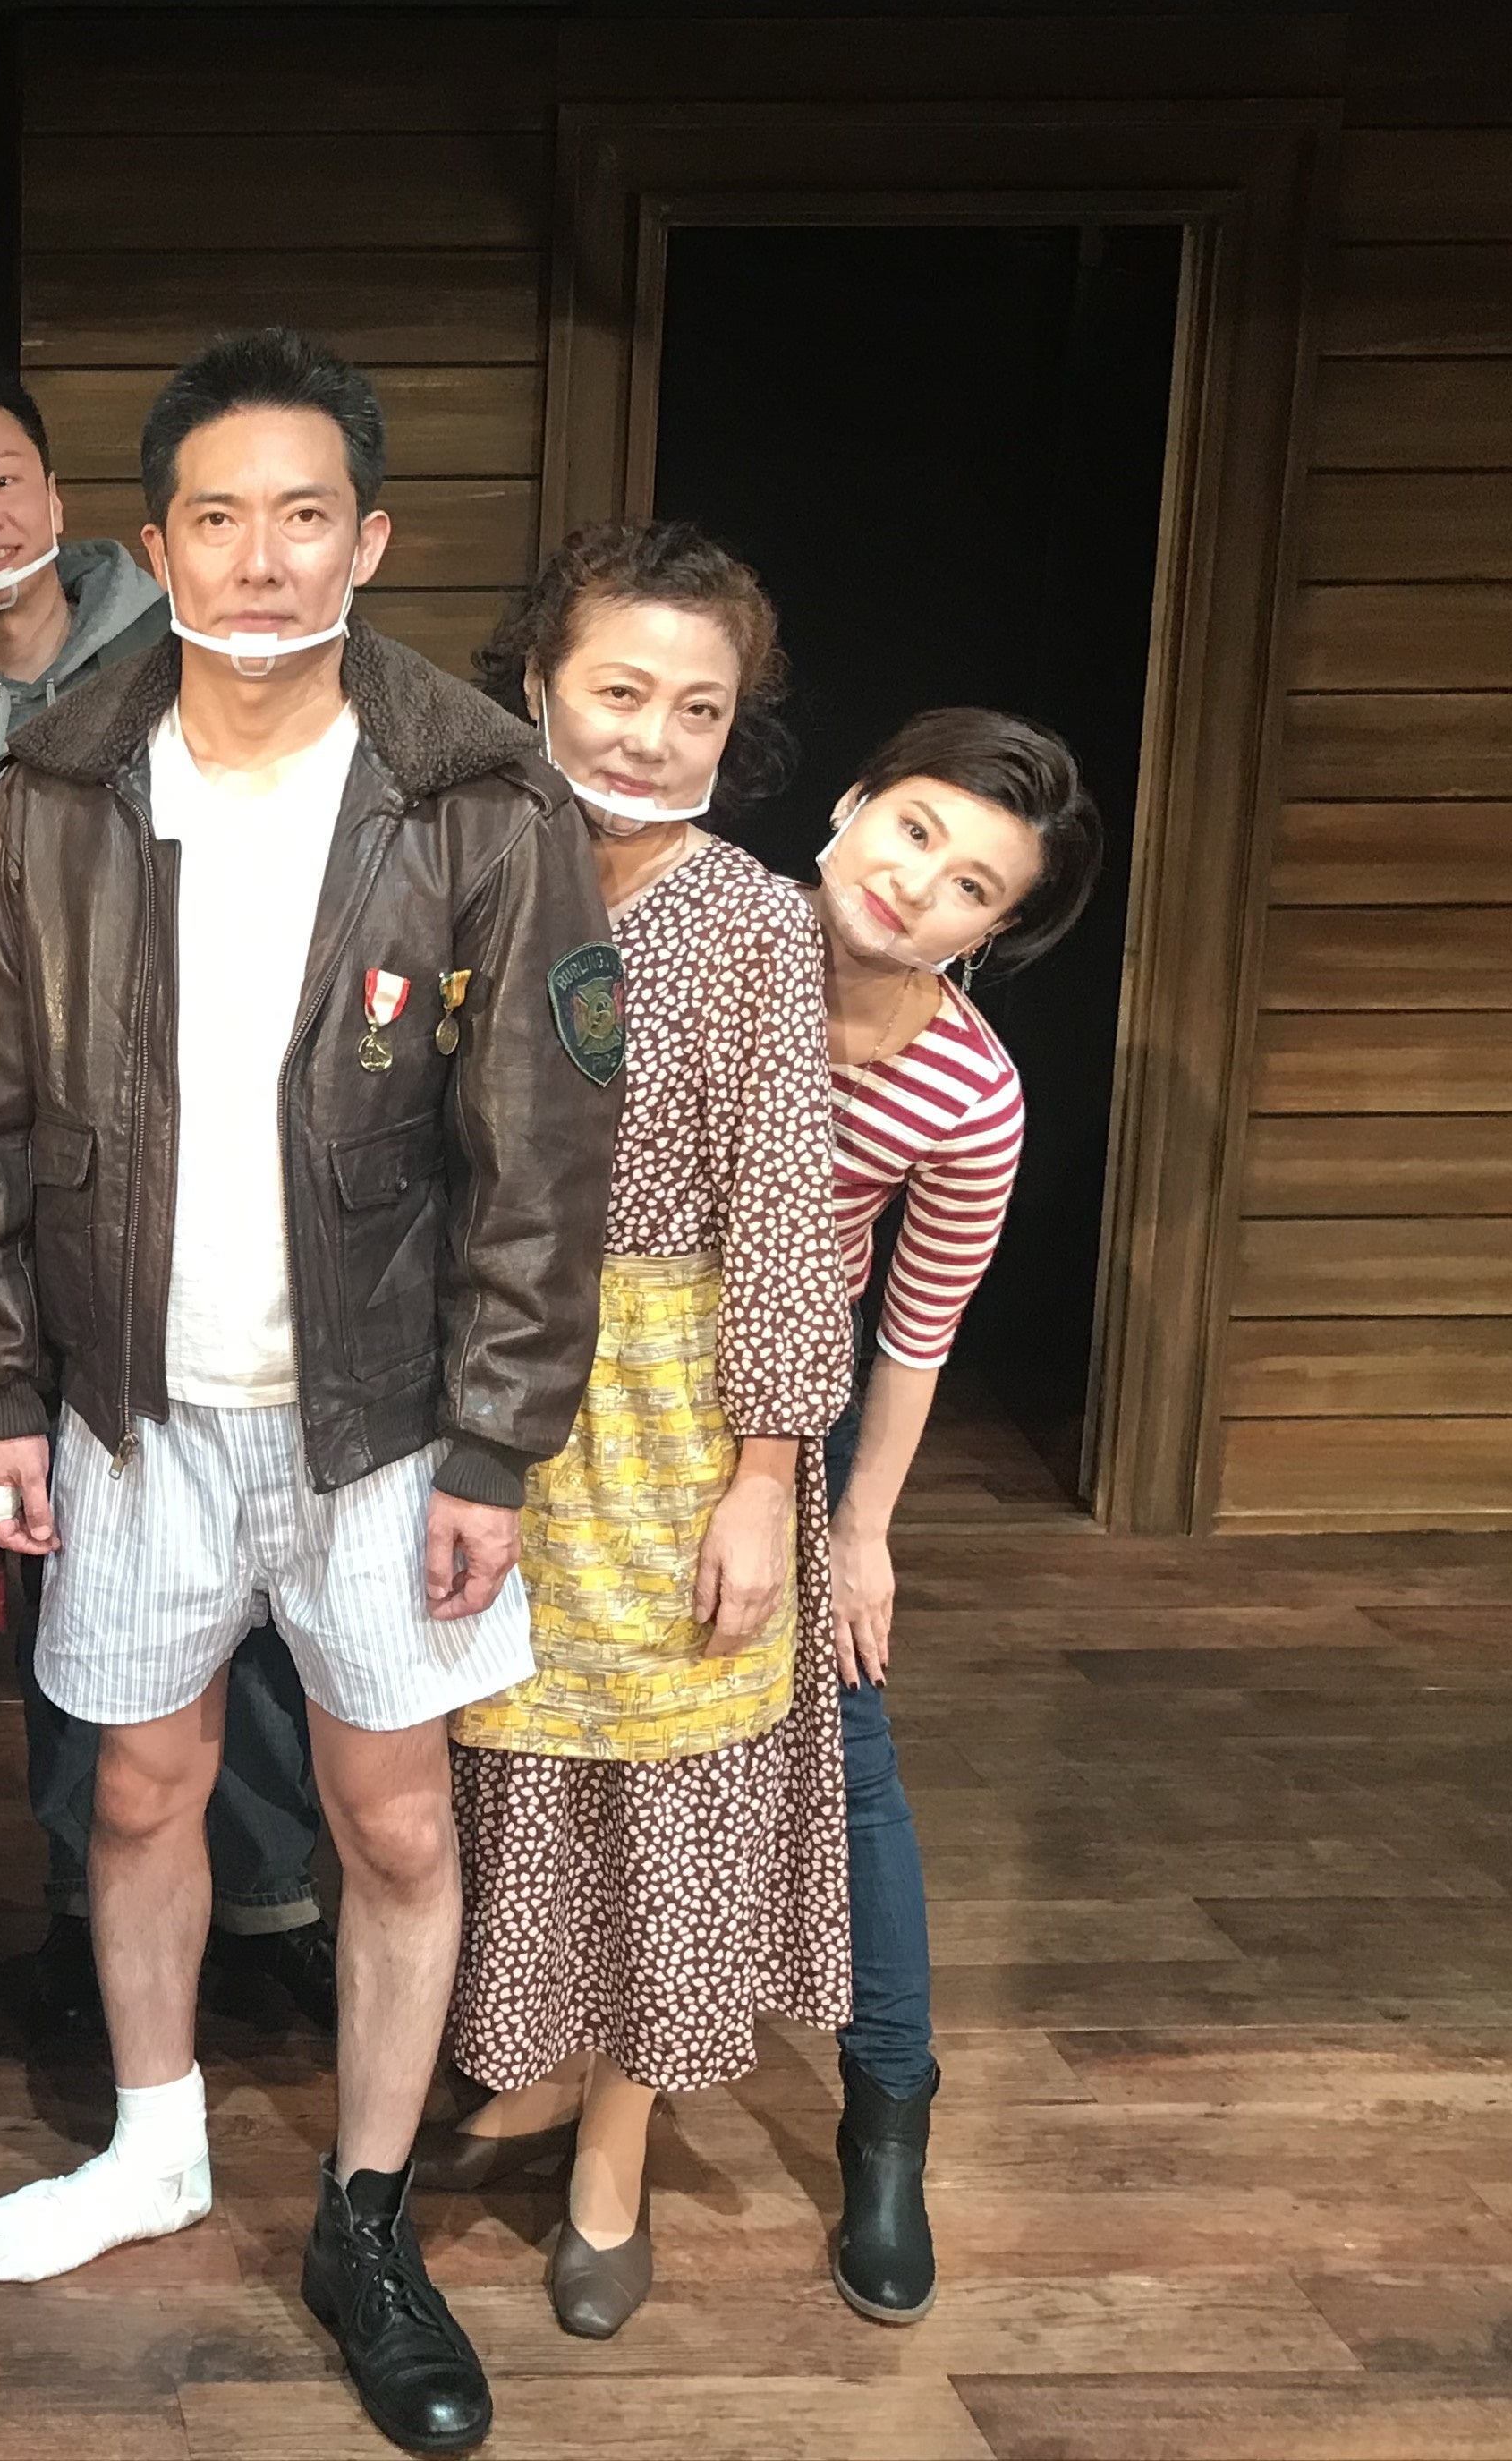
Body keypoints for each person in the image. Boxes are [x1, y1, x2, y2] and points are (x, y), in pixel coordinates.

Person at [0, 329, 620, 2459]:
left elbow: (544, 1149)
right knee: (141, 1793)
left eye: (302, 515)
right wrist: (1, 1391)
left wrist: (498, 1438)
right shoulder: (53, 789)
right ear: (155, 547)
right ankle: (154, 2146)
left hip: (388, 1415)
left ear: (369, 539)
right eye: (217, 519)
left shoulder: (478, 793)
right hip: (130, 1403)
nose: (260, 559)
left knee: (392, 1817)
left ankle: (367, 2214)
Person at [0, 355, 336, 2041]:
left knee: (259, 1574)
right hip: (26, 1172)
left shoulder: (189, 655)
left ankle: (274, 1903)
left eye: (4, 479)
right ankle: (89, 1901)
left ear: (66, 502)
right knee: (79, 1566)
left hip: (226, 1180)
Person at [424, 518, 855, 2346]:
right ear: (538, 682)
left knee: (666, 1785)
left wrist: (766, 1474)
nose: (654, 734)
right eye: (619, 689)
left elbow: (787, 1207)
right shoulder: (456, 858)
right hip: (473, 1387)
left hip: (679, 1405)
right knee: (507, 1765)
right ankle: (533, 2063)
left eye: (701, 707)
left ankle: (617, 2142)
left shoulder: (753, 920)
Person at [809, 705, 1103, 2323]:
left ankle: (890, 2117)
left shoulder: (970, 1092)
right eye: (914, 829)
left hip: (790, 1400)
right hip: (584, 1380)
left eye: (973, 884)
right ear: (854, 806)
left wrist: (862, 1530)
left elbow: (915, 1333)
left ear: (992, 933)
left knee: (849, 1739)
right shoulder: (703, 940)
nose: (920, 882)